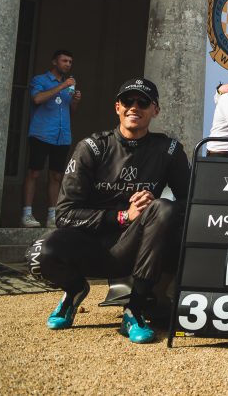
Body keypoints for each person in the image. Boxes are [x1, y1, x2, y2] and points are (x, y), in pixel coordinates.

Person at [34, 78, 189, 344]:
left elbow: (190, 201)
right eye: (128, 101)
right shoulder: (91, 147)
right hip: (92, 246)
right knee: (40, 253)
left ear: (156, 110)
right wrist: (122, 216)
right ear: (117, 107)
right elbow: (64, 214)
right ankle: (73, 291)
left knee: (163, 209)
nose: (134, 107)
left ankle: (135, 308)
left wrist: (151, 210)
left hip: (136, 248)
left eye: (143, 102)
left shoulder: (169, 149)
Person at [23, 49, 82, 227]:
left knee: (56, 176)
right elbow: (37, 99)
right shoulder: (40, 80)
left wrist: (75, 101)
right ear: (54, 62)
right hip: (42, 133)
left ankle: (52, 216)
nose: (68, 64)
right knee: (34, 172)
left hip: (62, 136)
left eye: (70, 62)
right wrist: (61, 87)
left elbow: (71, 112)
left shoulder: (68, 85)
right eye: (64, 61)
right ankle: (26, 214)